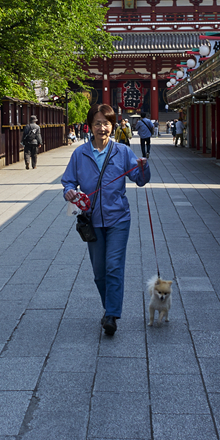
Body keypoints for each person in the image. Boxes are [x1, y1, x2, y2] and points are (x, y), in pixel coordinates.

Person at [62, 103, 150, 336]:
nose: (102, 128)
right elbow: (68, 181)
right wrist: (69, 192)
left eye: (107, 123)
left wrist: (143, 166)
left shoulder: (122, 151)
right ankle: (108, 307)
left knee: (113, 267)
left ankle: (111, 314)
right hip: (91, 220)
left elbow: (139, 179)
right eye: (98, 123)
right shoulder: (80, 154)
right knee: (99, 272)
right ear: (90, 126)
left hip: (118, 218)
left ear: (113, 126)